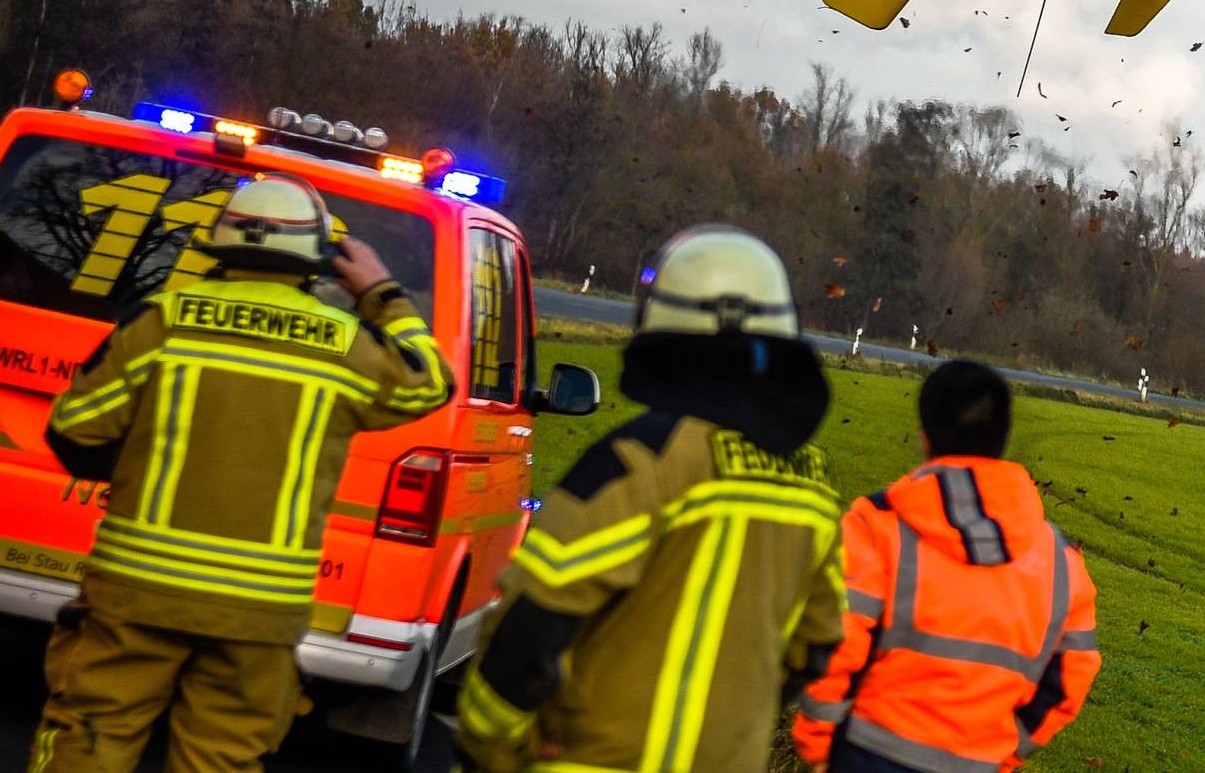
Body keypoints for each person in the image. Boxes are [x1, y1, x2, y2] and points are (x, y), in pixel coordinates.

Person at [32, 174, 452, 773]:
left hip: (137, 590)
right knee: (221, 757)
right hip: (260, 609)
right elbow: (432, 383)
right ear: (316, 260)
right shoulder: (344, 345)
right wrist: (382, 292)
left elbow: (74, 432)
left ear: (219, 244)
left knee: (91, 735)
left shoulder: (164, 322)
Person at [454, 225, 841, 773]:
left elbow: (530, 626)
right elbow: (817, 644)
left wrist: (487, 747)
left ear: (661, 324)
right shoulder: (815, 484)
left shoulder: (641, 459)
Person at [793, 361, 1100, 773]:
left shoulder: (878, 526)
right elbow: (1069, 679)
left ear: (924, 438)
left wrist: (818, 744)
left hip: (868, 752)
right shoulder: (1063, 564)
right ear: (1005, 436)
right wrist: (1006, 754)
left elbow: (832, 642)